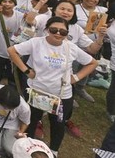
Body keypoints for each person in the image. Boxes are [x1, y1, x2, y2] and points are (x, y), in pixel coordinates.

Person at [8, 16, 98, 155]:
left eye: (63, 32)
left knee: (58, 124)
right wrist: (26, 70)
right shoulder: (36, 43)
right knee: (31, 121)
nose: (58, 33)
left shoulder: (71, 47)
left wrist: (76, 77)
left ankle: (54, 151)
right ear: (46, 30)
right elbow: (12, 51)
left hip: (61, 95)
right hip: (36, 92)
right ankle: (28, 149)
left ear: (67, 34)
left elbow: (92, 63)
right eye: (54, 30)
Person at [0, 84, 30, 156]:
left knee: (9, 148)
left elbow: (25, 122)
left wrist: (20, 132)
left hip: (13, 124)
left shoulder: (24, 107)